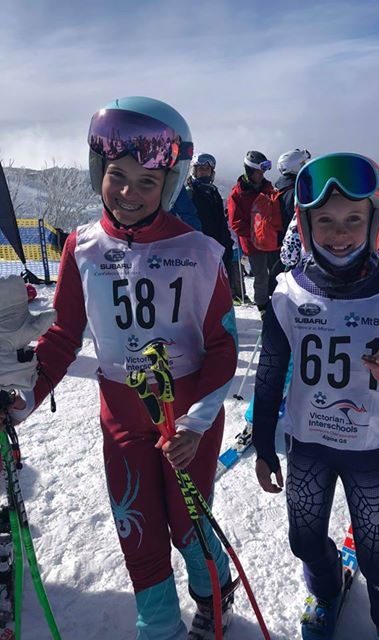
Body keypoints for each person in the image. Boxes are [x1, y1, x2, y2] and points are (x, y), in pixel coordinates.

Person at [1, 96, 238, 640]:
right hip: (122, 415)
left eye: (147, 182)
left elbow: (222, 350)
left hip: (187, 419)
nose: (129, 193)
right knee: (138, 528)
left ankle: (213, 589)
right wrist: (23, 398)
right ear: (98, 173)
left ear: (170, 183)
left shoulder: (200, 252)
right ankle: (158, 627)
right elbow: (61, 336)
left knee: (186, 524)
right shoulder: (83, 247)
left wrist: (197, 423)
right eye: (117, 176)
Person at [252, 153, 379, 640]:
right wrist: (263, 443)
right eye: (327, 221)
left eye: (353, 220)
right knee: (304, 540)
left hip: (369, 448)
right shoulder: (289, 292)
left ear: (375, 221)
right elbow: (271, 371)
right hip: (308, 444)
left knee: (378, 553)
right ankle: (326, 587)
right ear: (307, 224)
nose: (340, 233)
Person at [227, 151, 277, 318]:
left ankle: (277, 299)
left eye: (263, 172)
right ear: (249, 171)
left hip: (271, 239)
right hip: (254, 243)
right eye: (258, 172)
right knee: (261, 274)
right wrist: (255, 233)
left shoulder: (267, 187)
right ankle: (262, 305)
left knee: (276, 271)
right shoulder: (237, 194)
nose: (262, 175)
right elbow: (236, 222)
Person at [186, 152, 233, 274]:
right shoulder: (189, 192)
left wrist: (227, 242)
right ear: (194, 170)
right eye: (201, 169)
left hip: (216, 247)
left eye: (207, 170)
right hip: (197, 248)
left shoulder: (214, 193)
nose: (204, 172)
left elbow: (221, 221)